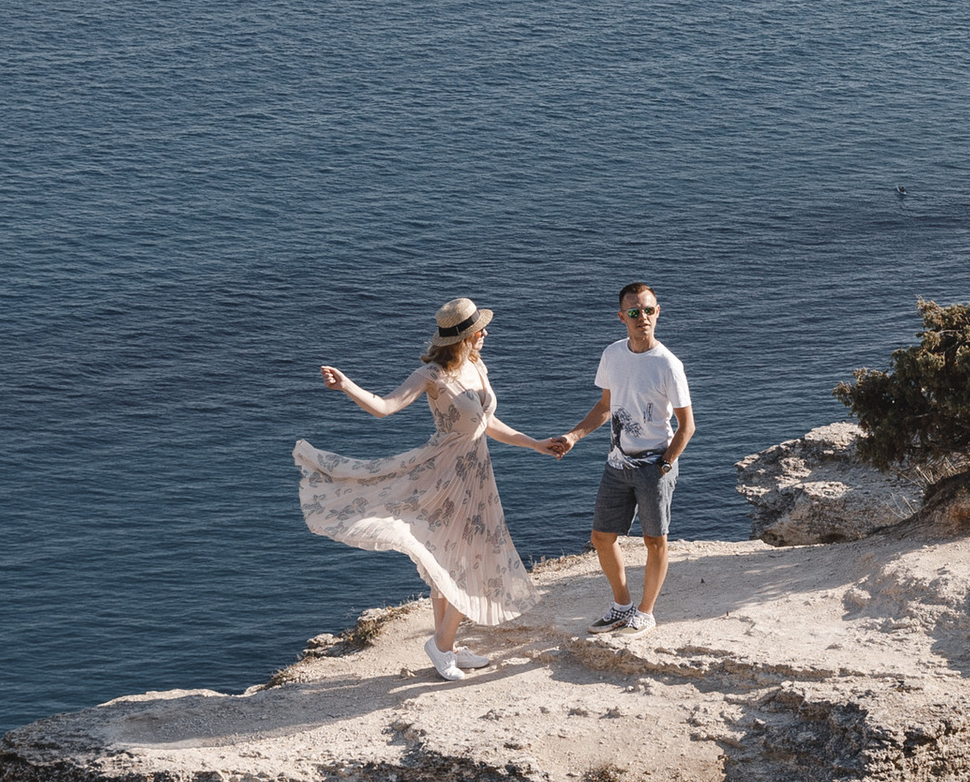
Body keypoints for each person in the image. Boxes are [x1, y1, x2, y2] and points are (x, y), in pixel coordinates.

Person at [297, 298, 559, 681]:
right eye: (477, 331)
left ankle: (447, 648)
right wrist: (346, 384)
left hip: (477, 477)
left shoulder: (476, 366)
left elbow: (486, 423)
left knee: (449, 559)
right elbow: (384, 407)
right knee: (469, 563)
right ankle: (439, 645)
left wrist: (534, 443)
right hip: (443, 477)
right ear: (461, 338)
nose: (484, 334)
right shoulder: (432, 376)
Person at [555, 280, 693, 633]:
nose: (642, 317)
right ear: (622, 317)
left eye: (648, 310)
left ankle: (645, 612)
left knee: (655, 540)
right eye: (634, 312)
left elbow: (686, 425)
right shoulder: (612, 355)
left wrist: (665, 464)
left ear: (657, 313)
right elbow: (605, 406)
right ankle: (622, 606)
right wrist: (574, 436)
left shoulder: (668, 364)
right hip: (616, 465)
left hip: (653, 466)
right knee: (601, 537)